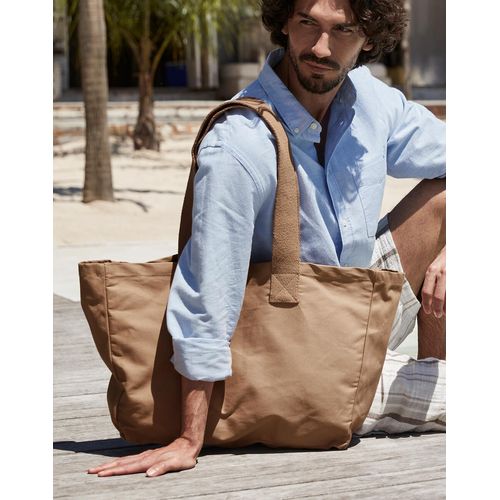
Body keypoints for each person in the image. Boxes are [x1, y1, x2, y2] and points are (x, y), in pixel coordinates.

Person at [88, 0, 445, 478]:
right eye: (307, 24)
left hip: (355, 305)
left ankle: (426, 368)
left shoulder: (368, 99)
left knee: (450, 200)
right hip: (300, 358)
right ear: (284, 23)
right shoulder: (240, 142)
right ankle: (426, 380)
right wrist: (190, 438)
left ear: (369, 38)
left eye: (343, 30)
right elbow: (207, 292)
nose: (321, 47)